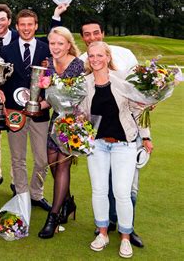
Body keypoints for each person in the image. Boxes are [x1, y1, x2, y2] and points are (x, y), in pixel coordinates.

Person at [81, 41, 153, 258]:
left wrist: (146, 136)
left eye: (99, 55)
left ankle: (125, 236)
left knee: (122, 193)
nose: (95, 59)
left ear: (107, 56)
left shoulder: (122, 79)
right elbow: (81, 113)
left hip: (125, 144)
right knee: (99, 190)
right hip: (97, 145)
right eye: (91, 56)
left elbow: (137, 109)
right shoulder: (84, 83)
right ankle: (102, 233)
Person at [0, 9, 52, 211]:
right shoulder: (7, 51)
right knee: (17, 158)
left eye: (30, 24)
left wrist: (45, 101)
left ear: (36, 26)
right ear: (17, 26)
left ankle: (36, 194)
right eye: (23, 24)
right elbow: (1, 81)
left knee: (42, 158)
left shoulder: (46, 49)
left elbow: (53, 81)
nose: (26, 28)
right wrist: (1, 98)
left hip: (40, 112)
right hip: (14, 112)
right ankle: (21, 195)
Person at [37, 27, 84, 239]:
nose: (55, 47)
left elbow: (75, 96)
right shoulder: (48, 64)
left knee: (62, 165)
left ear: (68, 44)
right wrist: (35, 105)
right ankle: (68, 202)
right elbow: (49, 97)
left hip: (72, 120)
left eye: (60, 43)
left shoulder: (77, 64)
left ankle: (53, 218)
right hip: (55, 118)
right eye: (52, 43)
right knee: (52, 163)